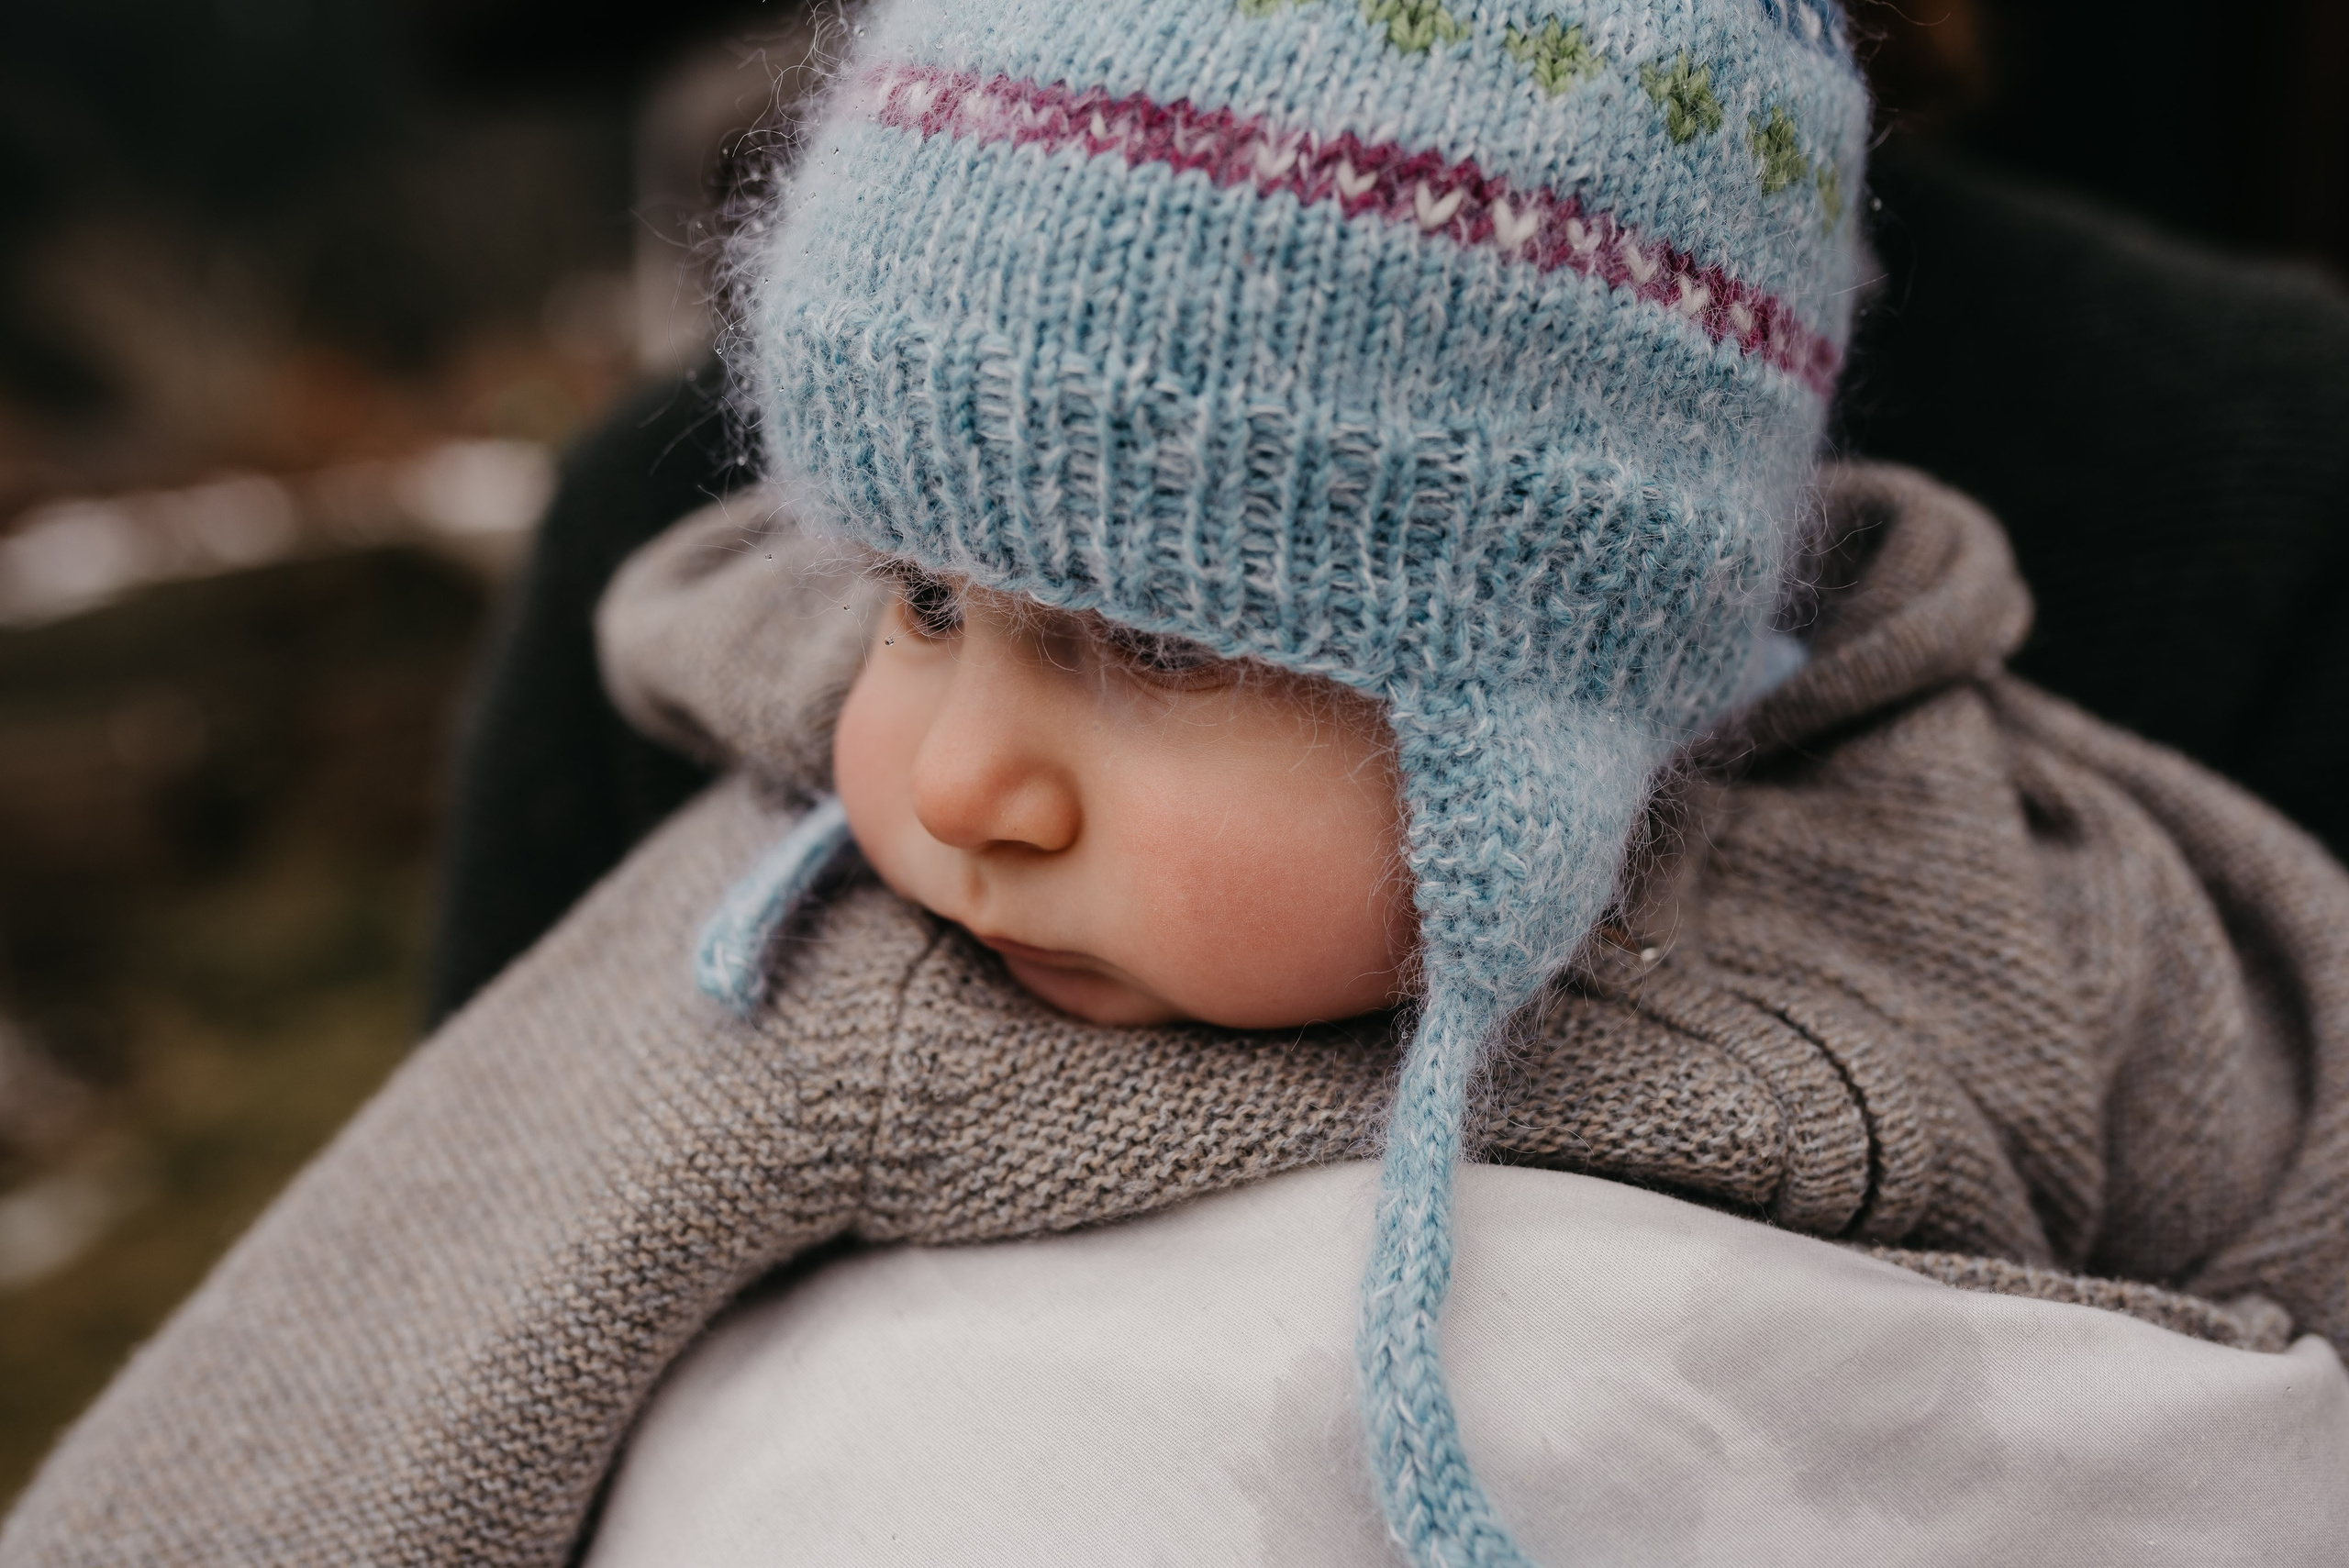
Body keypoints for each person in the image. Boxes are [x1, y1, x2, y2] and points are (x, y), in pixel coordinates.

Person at [8, 2, 2349, 1563]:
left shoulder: (2001, 867)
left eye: (1157, 645)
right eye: (916, 598)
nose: (963, 787)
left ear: (1568, 677)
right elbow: (357, 1377)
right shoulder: (822, 985)